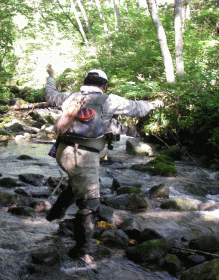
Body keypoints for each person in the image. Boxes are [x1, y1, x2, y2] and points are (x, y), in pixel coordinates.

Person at [44, 66, 163, 265]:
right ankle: (82, 251)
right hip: (83, 156)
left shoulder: (68, 96)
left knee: (79, 184)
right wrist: (152, 104)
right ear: (104, 86)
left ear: (85, 81)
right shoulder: (109, 100)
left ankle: (54, 214)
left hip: (62, 152)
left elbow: (49, 94)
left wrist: (50, 77)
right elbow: (138, 108)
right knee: (90, 203)